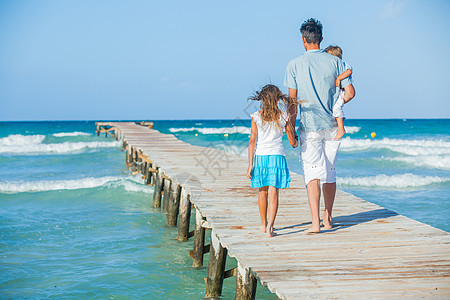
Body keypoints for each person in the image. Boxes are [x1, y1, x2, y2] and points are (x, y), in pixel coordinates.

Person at [284, 18, 355, 234]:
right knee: (330, 173)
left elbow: (292, 103)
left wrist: (290, 131)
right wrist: (336, 102)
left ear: (303, 40)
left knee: (312, 174)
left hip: (309, 126)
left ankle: (315, 223)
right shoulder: (336, 62)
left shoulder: (294, 64)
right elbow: (350, 93)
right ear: (321, 39)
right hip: (333, 126)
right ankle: (328, 217)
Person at [247, 84, 298, 237]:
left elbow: (252, 140)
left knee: (262, 192)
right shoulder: (283, 116)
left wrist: (250, 164)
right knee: (273, 193)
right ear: (277, 99)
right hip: (277, 157)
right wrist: (295, 137)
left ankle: (263, 224)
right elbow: (293, 143)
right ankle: (270, 228)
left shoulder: (256, 116)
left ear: (262, 98)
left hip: (261, 157)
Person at [325, 45, 353, 140]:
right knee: (335, 108)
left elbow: (349, 71)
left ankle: (341, 129)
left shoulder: (343, 64)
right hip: (338, 90)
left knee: (337, 107)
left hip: (341, 90)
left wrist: (339, 78)